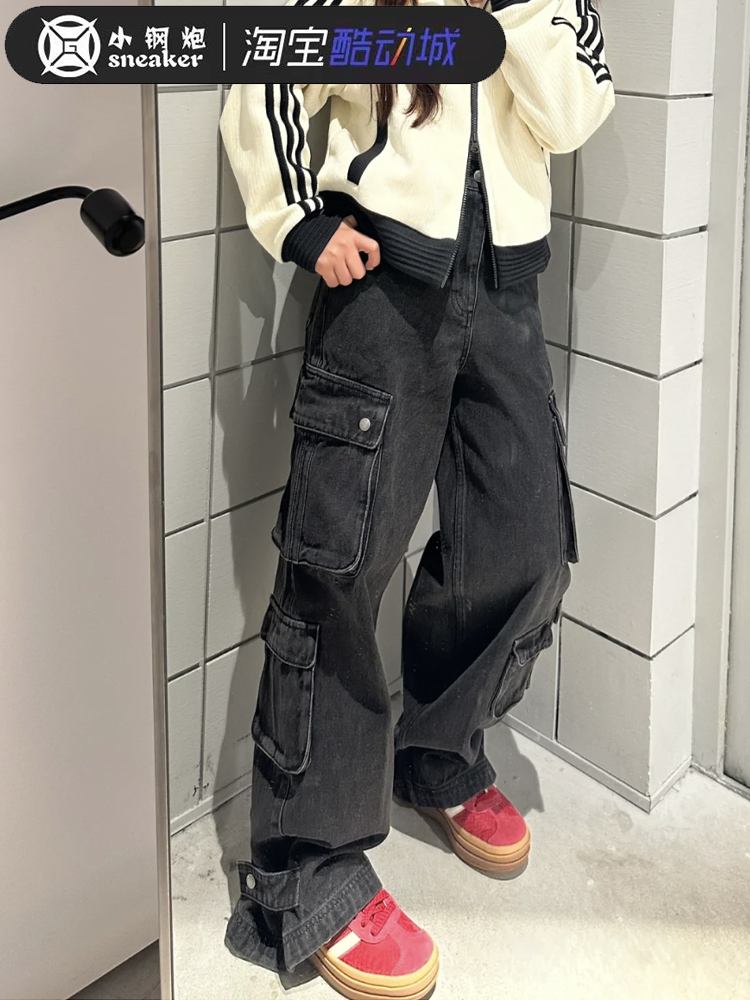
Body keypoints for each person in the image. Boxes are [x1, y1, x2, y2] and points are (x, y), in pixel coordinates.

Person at [219, 0, 614, 997]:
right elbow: (269, 71)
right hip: (383, 290)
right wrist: (300, 220)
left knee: (525, 542)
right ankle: (307, 868)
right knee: (339, 569)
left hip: (508, 294)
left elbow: (572, 113)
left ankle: (437, 752)